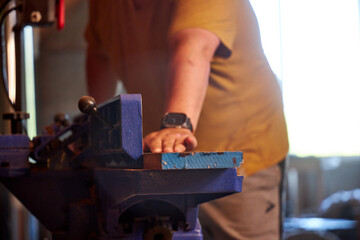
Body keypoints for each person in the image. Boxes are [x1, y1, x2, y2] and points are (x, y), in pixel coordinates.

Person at [85, 0, 289, 239]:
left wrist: (175, 125)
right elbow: (99, 53)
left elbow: (195, 46)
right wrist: (94, 130)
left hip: (239, 157)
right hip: (163, 162)